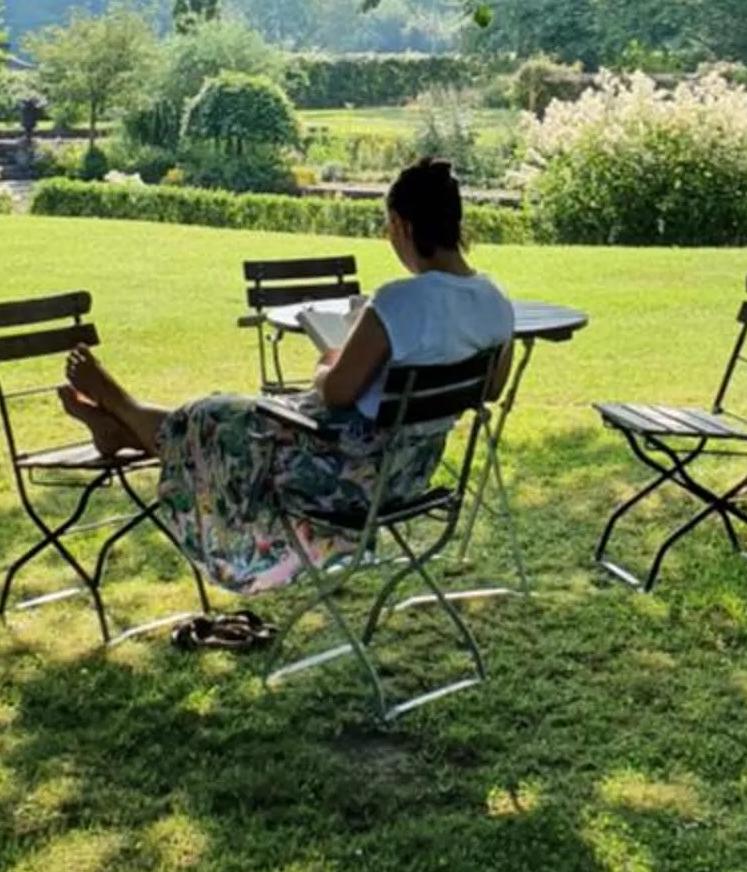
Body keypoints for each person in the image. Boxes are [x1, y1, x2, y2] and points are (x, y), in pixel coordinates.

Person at [60, 157, 517, 597]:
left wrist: (325, 367)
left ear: (401, 226)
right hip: (406, 474)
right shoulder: (496, 301)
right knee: (233, 419)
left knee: (212, 417)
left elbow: (337, 394)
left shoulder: (397, 301)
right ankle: (117, 428)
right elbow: (491, 389)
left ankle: (121, 409)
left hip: (340, 470)